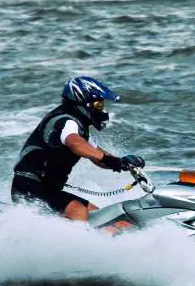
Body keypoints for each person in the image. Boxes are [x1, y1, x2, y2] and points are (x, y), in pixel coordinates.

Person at [11, 76, 145, 222]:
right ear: (83, 103)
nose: (102, 109)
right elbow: (75, 144)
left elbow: (96, 155)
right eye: (98, 105)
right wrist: (109, 159)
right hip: (28, 188)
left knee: (103, 216)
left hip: (48, 190)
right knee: (78, 211)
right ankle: (79, 244)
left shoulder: (79, 127)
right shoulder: (65, 121)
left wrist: (122, 163)